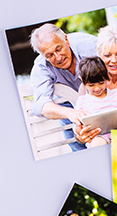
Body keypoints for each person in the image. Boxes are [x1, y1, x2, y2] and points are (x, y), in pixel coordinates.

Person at [29, 23, 98, 151]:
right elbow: (42, 105)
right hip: (70, 108)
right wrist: (70, 113)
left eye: (59, 49)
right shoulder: (41, 67)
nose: (58, 58)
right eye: (49, 55)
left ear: (66, 40)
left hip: (103, 98)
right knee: (77, 145)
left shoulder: (89, 45)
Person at [74, 57, 117, 147]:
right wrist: (80, 129)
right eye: (91, 85)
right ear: (82, 80)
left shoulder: (116, 94)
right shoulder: (82, 101)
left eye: (101, 83)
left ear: (107, 77)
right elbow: (76, 126)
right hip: (98, 138)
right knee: (99, 142)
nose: (97, 88)